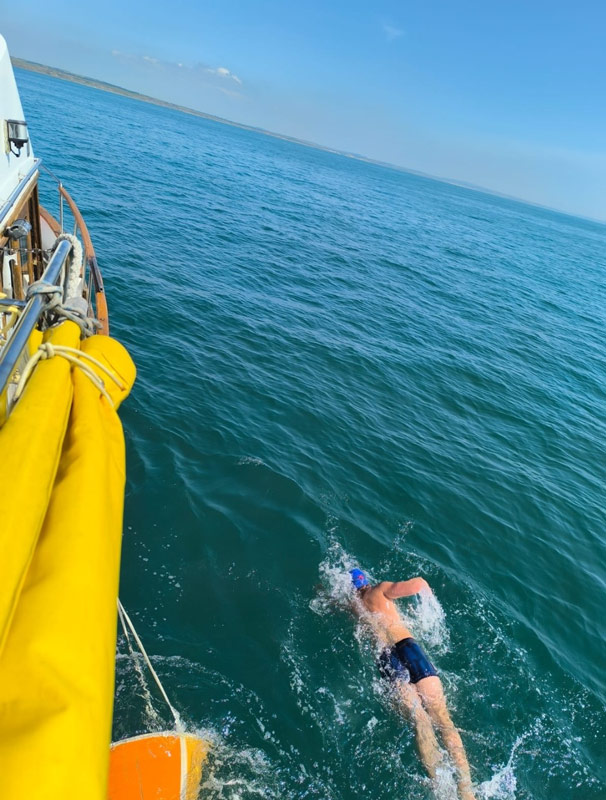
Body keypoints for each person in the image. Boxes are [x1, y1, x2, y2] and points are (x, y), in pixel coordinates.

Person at [349, 568, 476, 800]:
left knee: (420, 721)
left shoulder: (352, 608)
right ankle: (467, 792)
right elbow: (417, 584)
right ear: (366, 582)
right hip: (409, 647)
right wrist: (426, 592)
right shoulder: (380, 590)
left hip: (385, 656)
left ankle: (442, 791)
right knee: (443, 718)